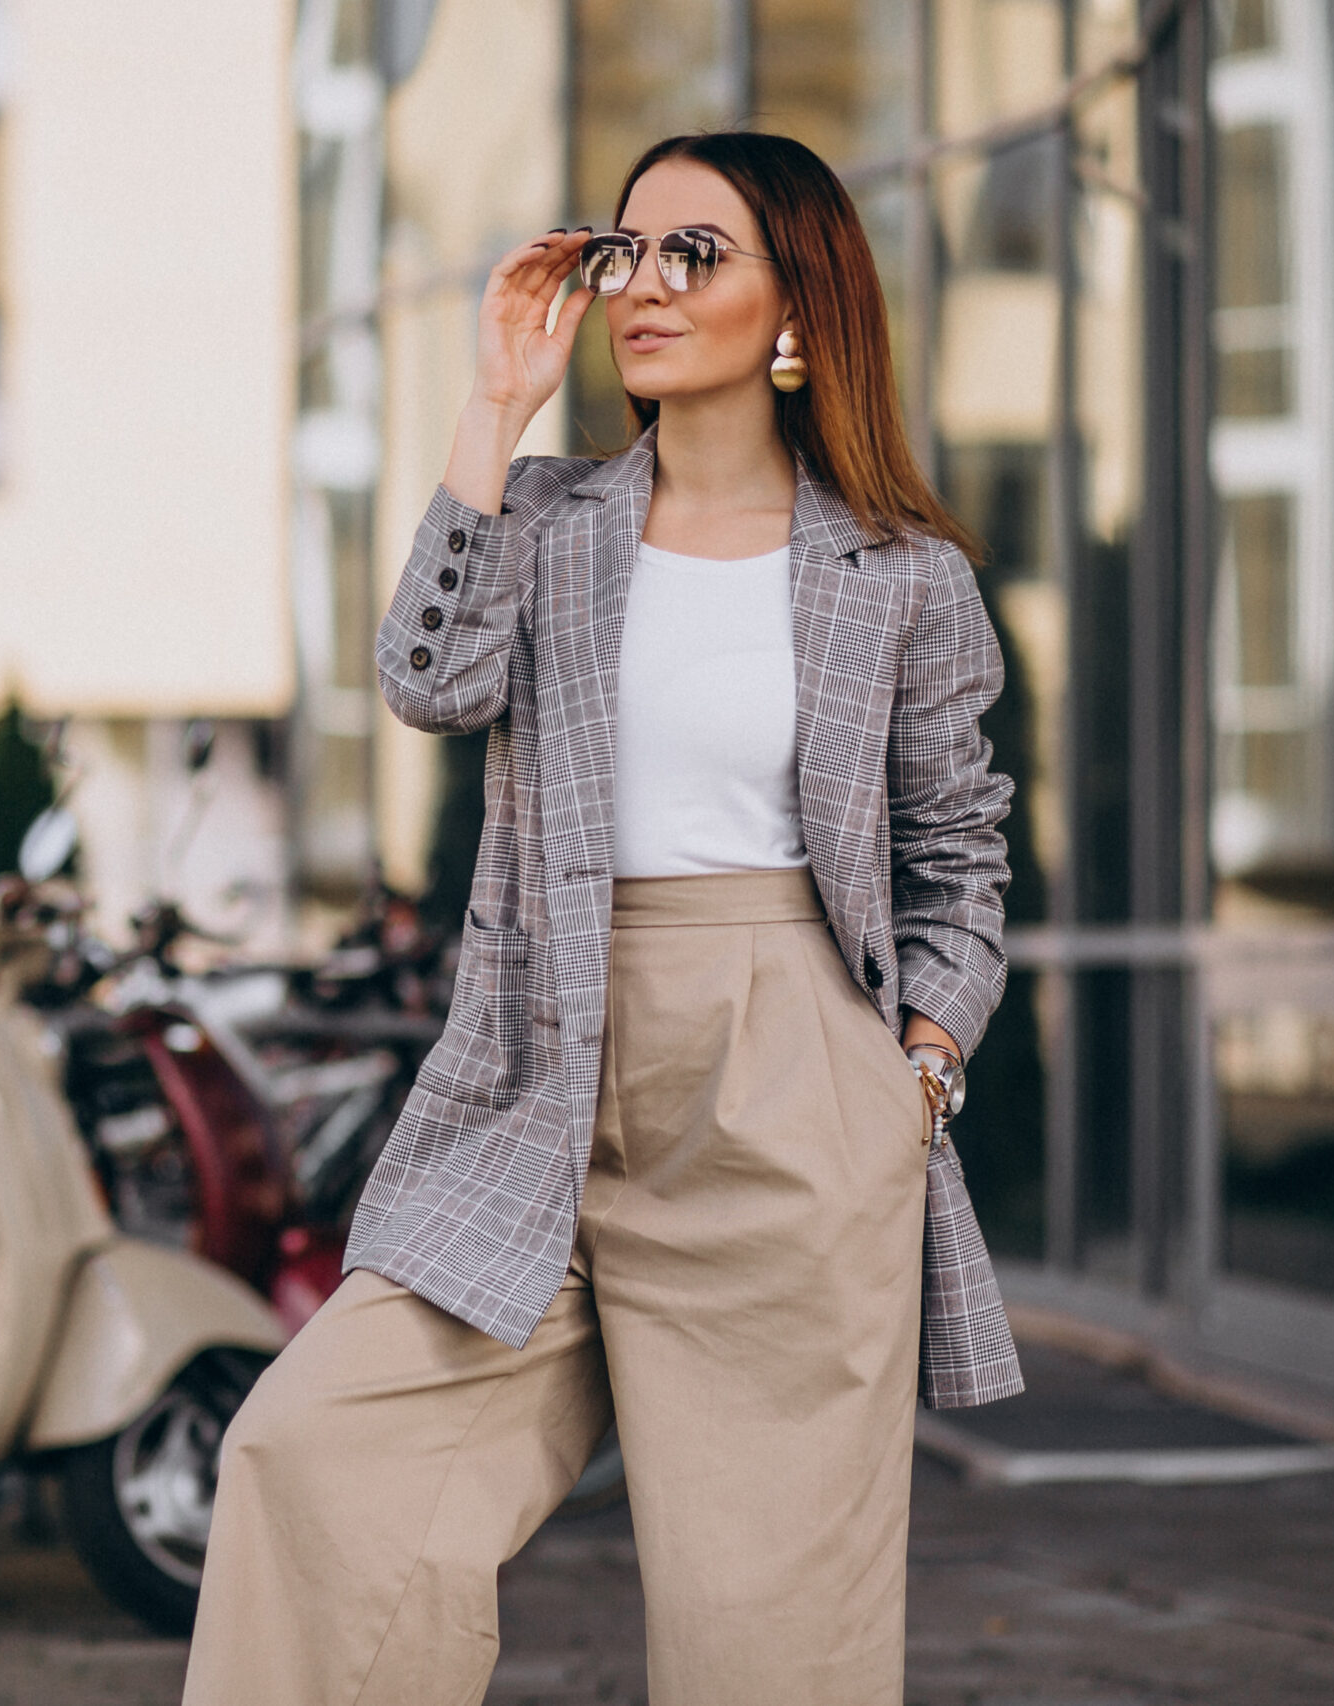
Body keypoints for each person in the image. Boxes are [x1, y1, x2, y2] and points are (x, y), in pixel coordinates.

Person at [181, 131, 1017, 1705]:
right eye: (627, 248)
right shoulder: (554, 520)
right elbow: (429, 680)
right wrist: (495, 403)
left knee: (770, 1638)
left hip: (793, 1096)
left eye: (697, 252)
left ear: (796, 310)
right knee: (314, 1459)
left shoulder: (901, 575)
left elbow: (957, 859)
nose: (643, 281)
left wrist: (914, 1076)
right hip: (539, 1074)